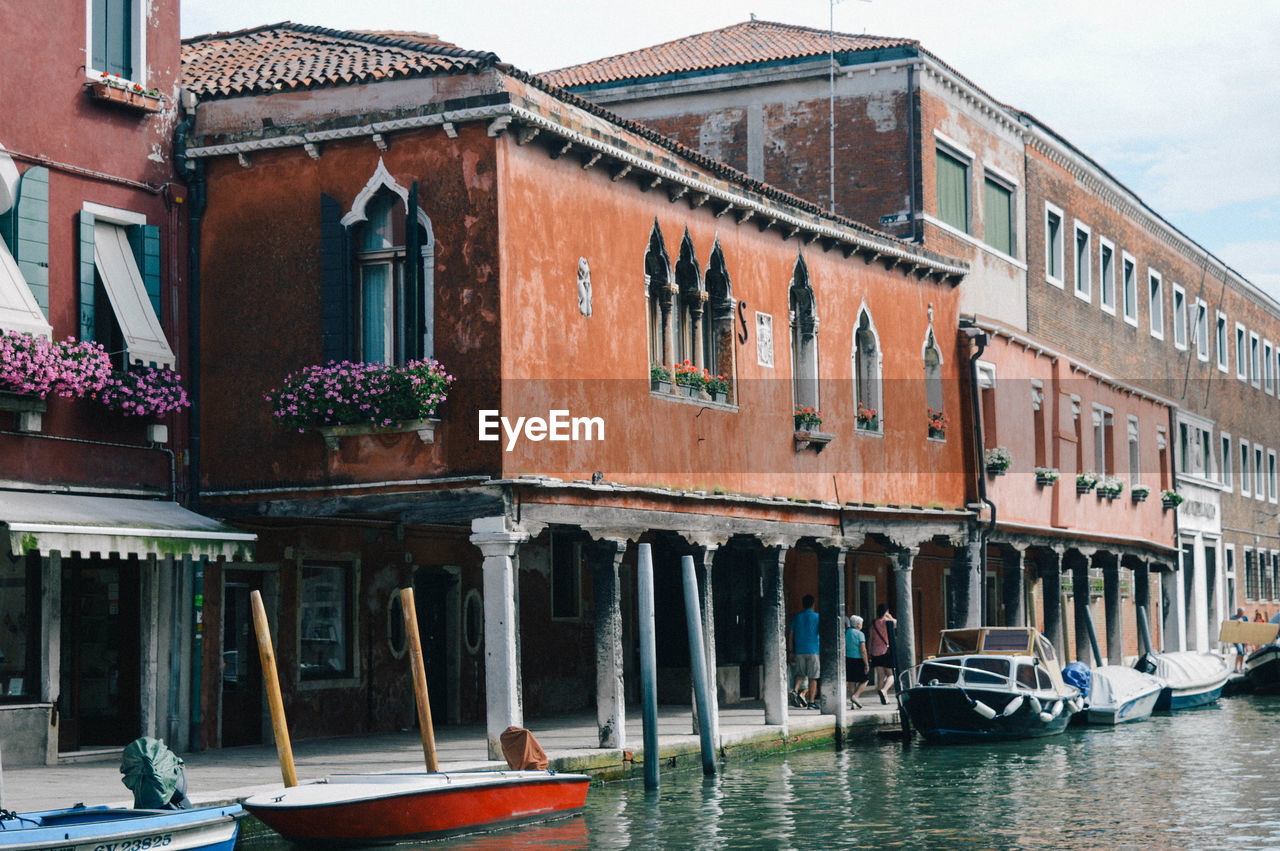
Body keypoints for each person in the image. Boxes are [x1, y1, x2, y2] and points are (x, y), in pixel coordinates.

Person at [787, 594, 820, 709]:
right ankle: (811, 702)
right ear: (813, 604)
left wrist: (791, 651)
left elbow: (791, 635)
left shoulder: (797, 617)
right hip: (813, 650)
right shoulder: (817, 617)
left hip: (799, 650)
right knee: (813, 677)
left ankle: (795, 690)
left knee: (800, 674)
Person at [868, 603, 897, 704]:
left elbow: (870, 639)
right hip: (886, 650)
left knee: (880, 676)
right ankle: (884, 691)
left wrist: (870, 653)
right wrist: (890, 616)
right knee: (891, 675)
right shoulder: (888, 622)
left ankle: (884, 698)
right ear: (886, 611)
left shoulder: (874, 623)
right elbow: (897, 624)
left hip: (875, 652)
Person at [845, 615, 869, 709]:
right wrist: (866, 664)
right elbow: (863, 650)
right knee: (865, 679)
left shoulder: (846, 632)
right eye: (861, 623)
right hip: (858, 659)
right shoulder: (860, 634)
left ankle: (853, 704)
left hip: (848, 658)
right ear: (858, 624)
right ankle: (856, 696)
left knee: (851, 681)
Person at [1230, 607, 1249, 672]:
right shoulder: (1233, 618)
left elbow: (1247, 626)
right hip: (1236, 637)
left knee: (1243, 653)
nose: (1242, 614)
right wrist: (1236, 623)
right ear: (1238, 612)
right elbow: (1230, 626)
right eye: (1242, 613)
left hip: (1243, 637)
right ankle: (1235, 668)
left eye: (1243, 613)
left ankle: (1240, 667)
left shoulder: (1245, 618)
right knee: (1240, 651)